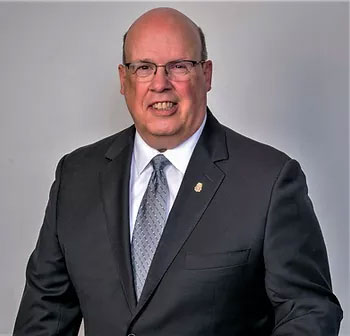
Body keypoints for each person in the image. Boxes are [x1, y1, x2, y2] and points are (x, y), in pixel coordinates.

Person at [14, 7, 343, 336]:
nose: (160, 84)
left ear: (207, 74)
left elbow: (309, 311)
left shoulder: (269, 181)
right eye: (144, 67)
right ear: (123, 79)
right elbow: (46, 314)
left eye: (179, 67)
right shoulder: (76, 176)